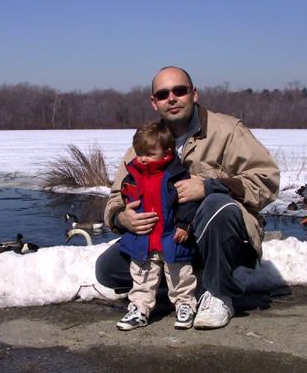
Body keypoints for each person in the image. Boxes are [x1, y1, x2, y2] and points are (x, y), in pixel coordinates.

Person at [96, 66, 280, 330]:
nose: (172, 98)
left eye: (179, 91)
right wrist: (121, 217)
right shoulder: (145, 143)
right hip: (167, 239)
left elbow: (267, 180)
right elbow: (116, 196)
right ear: (154, 102)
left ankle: (218, 293)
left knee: (217, 204)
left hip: (223, 235)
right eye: (163, 94)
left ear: (194, 94)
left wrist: (208, 186)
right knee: (107, 269)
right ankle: (184, 282)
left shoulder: (228, 131)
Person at [116, 122, 199, 331]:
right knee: (141, 278)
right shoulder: (132, 176)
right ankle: (139, 308)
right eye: (140, 153)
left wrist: (184, 225)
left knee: (180, 276)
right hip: (143, 240)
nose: (143, 158)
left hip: (172, 238)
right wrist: (126, 213)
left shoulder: (177, 175)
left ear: (167, 152)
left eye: (150, 154)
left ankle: (185, 305)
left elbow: (188, 203)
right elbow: (124, 199)